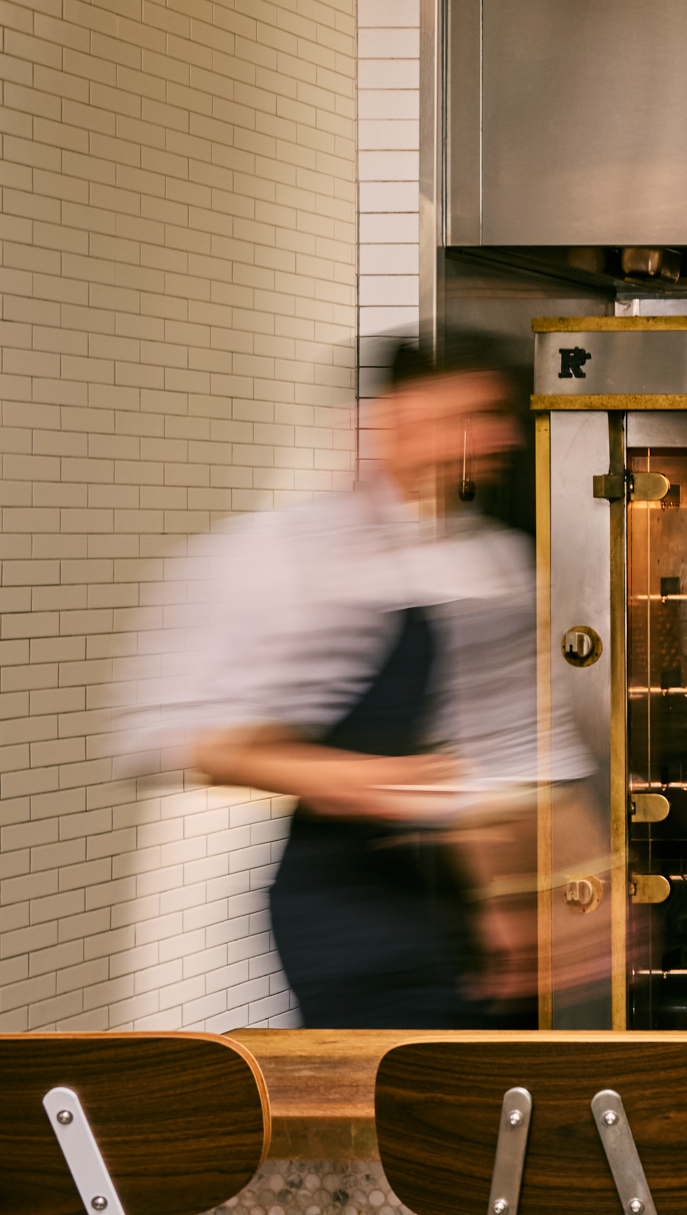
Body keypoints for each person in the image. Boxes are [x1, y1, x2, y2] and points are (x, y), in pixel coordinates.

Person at [139, 334, 600, 1027]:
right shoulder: (280, 556)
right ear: (390, 420)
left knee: (495, 1099)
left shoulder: (496, 565)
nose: (501, 433)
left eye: (496, 414)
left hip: (469, 894)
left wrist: (557, 896)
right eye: (470, 414)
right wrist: (352, 781)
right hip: (348, 898)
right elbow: (187, 739)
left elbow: (524, 757)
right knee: (381, 1098)